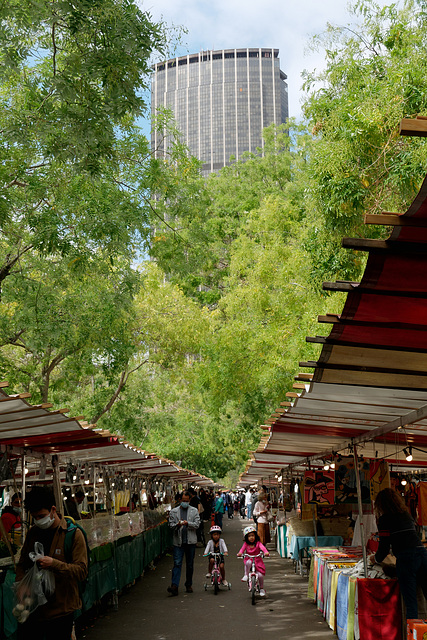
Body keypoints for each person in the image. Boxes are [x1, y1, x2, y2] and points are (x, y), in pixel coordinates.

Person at [15, 485, 88, 640]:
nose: (38, 521)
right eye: (35, 517)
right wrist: (21, 584)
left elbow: (81, 571)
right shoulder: (33, 533)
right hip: (35, 610)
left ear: (53, 509)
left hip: (61, 610)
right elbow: (22, 564)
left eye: (42, 516)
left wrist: (54, 564)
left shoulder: (73, 534)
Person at [369, 487, 427, 620]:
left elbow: (383, 548)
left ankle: (412, 635)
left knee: (411, 603)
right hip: (422, 554)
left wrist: (375, 559)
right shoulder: (406, 515)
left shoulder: (384, 520)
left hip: (406, 560)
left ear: (380, 505)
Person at [167, 490, 200, 596]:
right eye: (183, 500)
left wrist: (187, 523)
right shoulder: (174, 511)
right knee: (177, 563)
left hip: (190, 542)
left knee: (190, 564)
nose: (185, 502)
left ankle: (188, 584)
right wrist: (177, 525)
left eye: (187, 500)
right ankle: (174, 585)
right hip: (178, 542)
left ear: (189, 500)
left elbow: (197, 524)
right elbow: (170, 526)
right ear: (180, 500)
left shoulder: (194, 511)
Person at [237, 525, 269, 597]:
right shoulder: (246, 544)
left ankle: (261, 588)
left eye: (252, 535)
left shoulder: (258, 543)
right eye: (249, 536)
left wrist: (266, 552)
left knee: (260, 576)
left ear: (255, 536)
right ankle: (246, 575)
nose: (251, 538)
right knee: (248, 562)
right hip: (249, 559)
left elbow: (263, 548)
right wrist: (240, 553)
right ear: (246, 538)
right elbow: (242, 550)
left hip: (258, 561)